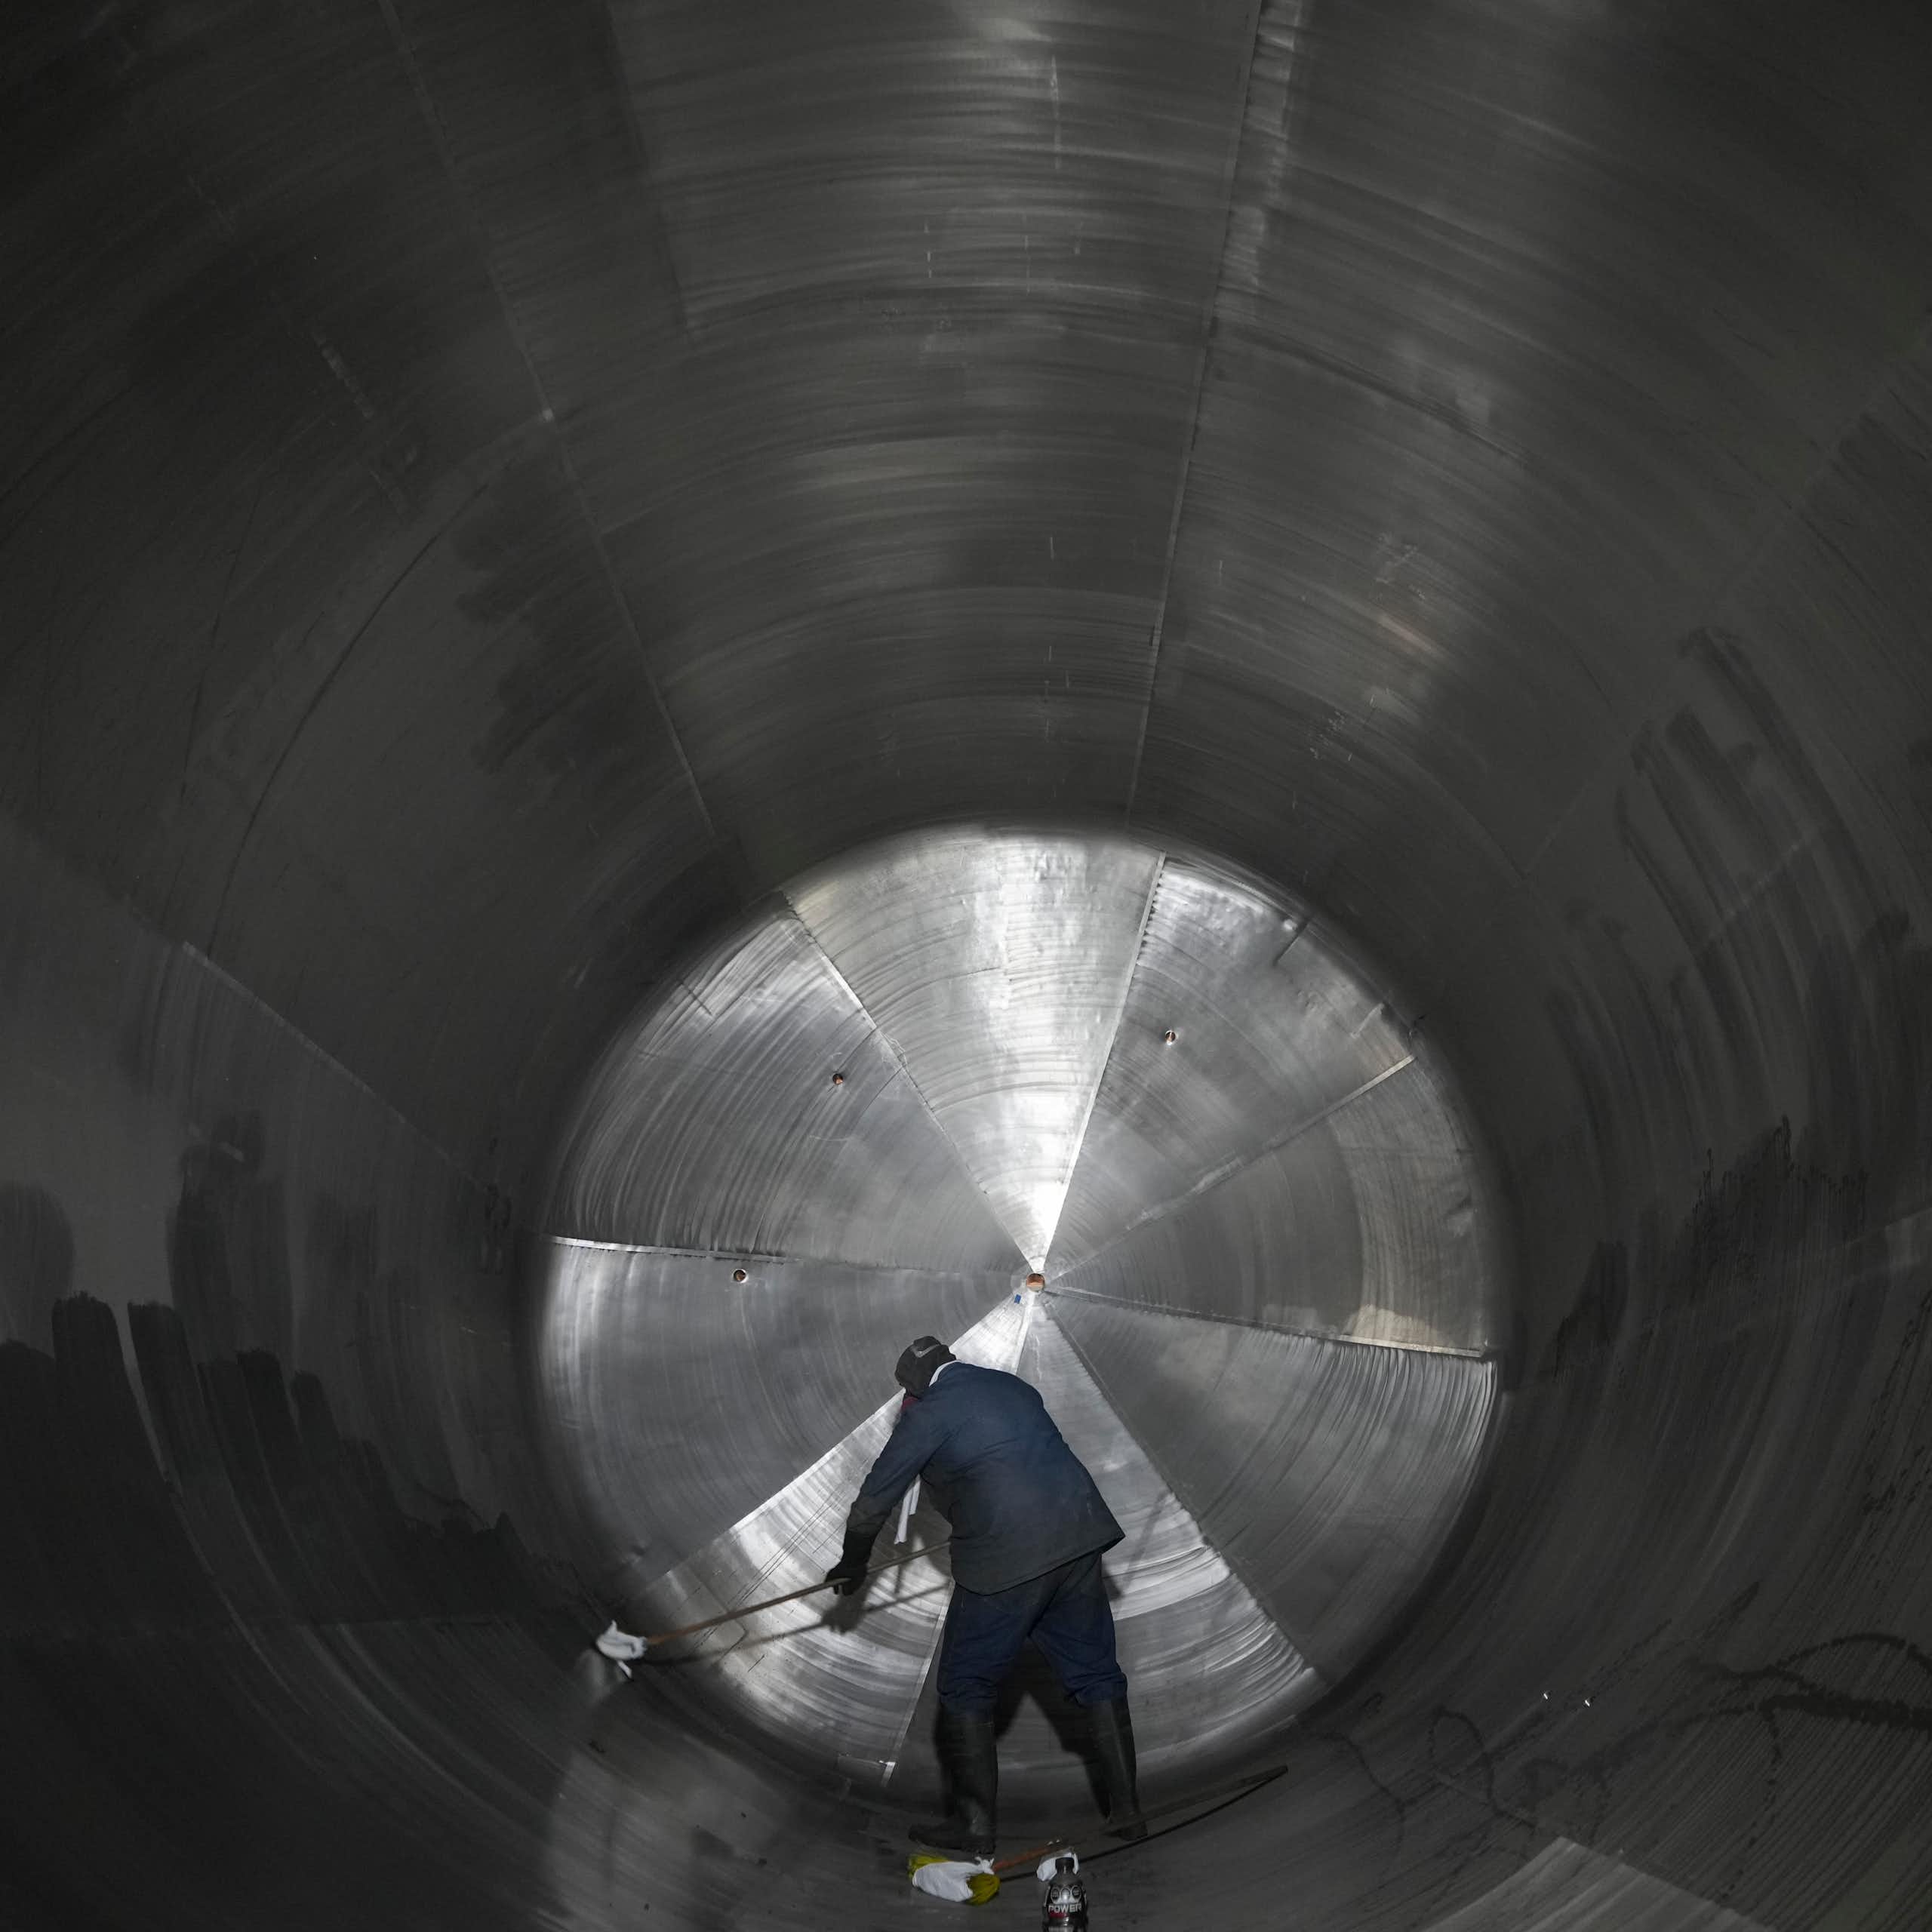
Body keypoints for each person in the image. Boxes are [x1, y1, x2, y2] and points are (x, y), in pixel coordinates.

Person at [826, 1333, 1143, 1857]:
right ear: (949, 1362)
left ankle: (975, 1828)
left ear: (913, 1388)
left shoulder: (927, 1413)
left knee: (966, 1685)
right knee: (1095, 1673)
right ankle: (1129, 1813)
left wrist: (853, 1562)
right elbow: (1011, 1465)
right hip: (1079, 1539)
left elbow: (871, 1504)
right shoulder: (1010, 1387)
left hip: (1008, 1561)